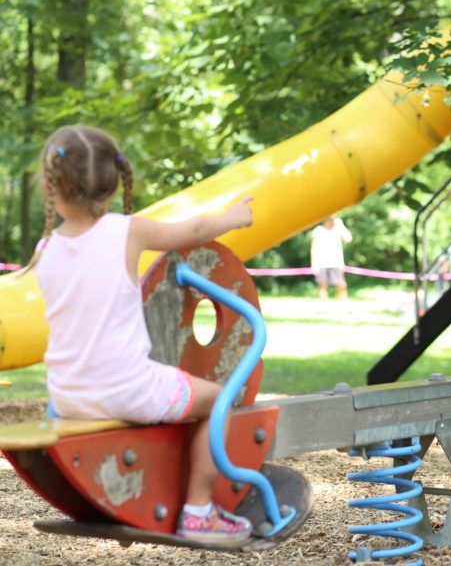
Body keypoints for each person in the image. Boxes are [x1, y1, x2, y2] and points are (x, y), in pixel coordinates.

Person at [27, 125, 255, 547]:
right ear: (115, 184)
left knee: (147, 387)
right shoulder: (125, 231)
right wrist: (234, 217)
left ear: (49, 186)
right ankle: (200, 511)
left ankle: (112, 499)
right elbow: (191, 231)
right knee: (218, 398)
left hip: (67, 397)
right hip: (127, 389)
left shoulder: (47, 249)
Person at [310, 215, 352, 300]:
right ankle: (324, 306)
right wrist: (314, 264)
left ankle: (343, 305)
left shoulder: (337, 229)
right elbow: (313, 249)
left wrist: (341, 225)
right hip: (321, 263)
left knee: (341, 285)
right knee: (323, 285)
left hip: (336, 263)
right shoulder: (318, 231)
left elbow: (348, 239)